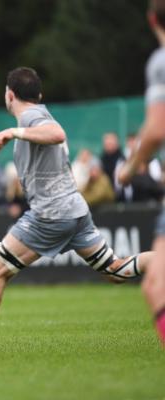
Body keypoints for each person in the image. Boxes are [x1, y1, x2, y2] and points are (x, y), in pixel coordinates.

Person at [0, 67, 155, 360]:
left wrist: (12, 131)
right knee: (116, 270)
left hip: (51, 215)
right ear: (40, 95)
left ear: (9, 95)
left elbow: (57, 134)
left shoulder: (33, 119)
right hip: (74, 210)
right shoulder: (40, 116)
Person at [117, 0, 165, 346]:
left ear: (151, 20)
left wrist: (129, 168)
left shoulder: (160, 63)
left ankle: (122, 267)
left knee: (156, 286)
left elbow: (154, 132)